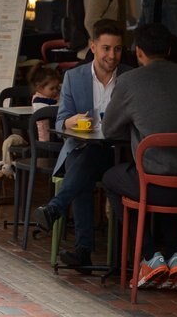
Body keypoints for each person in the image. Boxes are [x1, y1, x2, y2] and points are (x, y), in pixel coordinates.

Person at [100, 23, 177, 290]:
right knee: (162, 170)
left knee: (112, 179)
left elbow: (109, 129)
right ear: (170, 49)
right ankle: (175, 256)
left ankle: (149, 256)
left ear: (138, 52)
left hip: (156, 186)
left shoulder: (129, 81)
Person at [36, 20, 131, 269]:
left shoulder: (131, 78)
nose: (112, 55)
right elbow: (60, 120)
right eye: (106, 48)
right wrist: (71, 121)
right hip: (83, 149)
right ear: (93, 47)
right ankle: (81, 249)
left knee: (85, 164)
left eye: (118, 49)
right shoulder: (74, 77)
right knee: (86, 160)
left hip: (119, 154)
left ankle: (62, 218)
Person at [29, 66, 62, 142]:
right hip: (45, 138)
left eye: (57, 88)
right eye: (52, 88)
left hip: (55, 135)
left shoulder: (52, 97)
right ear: (39, 88)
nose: (55, 91)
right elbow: (53, 111)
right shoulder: (38, 100)